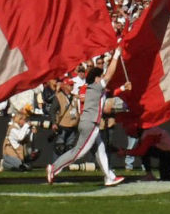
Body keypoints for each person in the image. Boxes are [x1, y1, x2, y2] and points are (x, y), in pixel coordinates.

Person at [46, 51, 125, 187]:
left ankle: (109, 177)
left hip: (87, 122)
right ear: (96, 79)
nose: (102, 79)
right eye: (100, 77)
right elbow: (109, 75)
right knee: (78, 152)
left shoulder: (90, 88)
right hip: (91, 123)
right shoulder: (95, 87)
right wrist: (116, 55)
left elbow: (108, 83)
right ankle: (54, 168)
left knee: (100, 150)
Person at [48, 75, 80, 159]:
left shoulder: (74, 97)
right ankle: (55, 165)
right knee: (59, 147)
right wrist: (54, 123)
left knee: (70, 147)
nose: (72, 86)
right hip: (62, 125)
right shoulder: (59, 97)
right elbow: (52, 111)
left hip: (73, 125)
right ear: (64, 86)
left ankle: (66, 165)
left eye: (72, 85)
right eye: (70, 85)